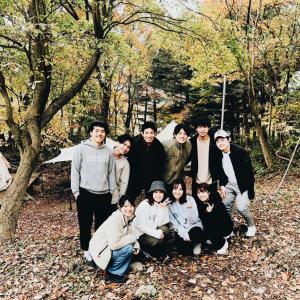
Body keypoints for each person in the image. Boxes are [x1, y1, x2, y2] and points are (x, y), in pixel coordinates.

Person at [71, 121, 115, 262]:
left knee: (101, 226)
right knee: (85, 224)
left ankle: (98, 248)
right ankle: (86, 250)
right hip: (85, 193)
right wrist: (76, 193)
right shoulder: (80, 149)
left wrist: (112, 192)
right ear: (90, 132)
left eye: (102, 131)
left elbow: (111, 173)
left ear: (105, 134)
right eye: (96, 131)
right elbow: (75, 171)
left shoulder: (108, 151)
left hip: (104, 194)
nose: (99, 133)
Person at [214, 129, 256, 237]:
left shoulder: (240, 152)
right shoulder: (218, 155)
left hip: (242, 185)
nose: (220, 143)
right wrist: (222, 185)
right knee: (225, 205)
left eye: (222, 140)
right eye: (217, 141)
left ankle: (251, 226)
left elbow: (249, 174)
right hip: (229, 185)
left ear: (229, 139)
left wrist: (250, 192)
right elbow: (220, 173)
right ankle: (228, 228)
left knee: (241, 207)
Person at [88, 195, 140, 283]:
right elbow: (114, 245)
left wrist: (136, 245)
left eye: (131, 206)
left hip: (106, 248)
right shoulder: (115, 220)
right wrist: (132, 240)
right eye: (125, 206)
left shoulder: (127, 217)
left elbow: (131, 233)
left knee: (132, 248)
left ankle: (114, 267)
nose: (129, 208)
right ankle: (112, 274)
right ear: (119, 207)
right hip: (100, 252)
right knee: (128, 248)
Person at [127, 121, 166, 200]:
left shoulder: (159, 146)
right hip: (135, 176)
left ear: (155, 133)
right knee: (130, 198)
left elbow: (160, 165)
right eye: (146, 133)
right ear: (142, 133)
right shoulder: (134, 143)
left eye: (151, 133)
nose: (149, 135)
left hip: (151, 177)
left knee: (151, 199)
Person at [190, 117, 226, 197]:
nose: (202, 129)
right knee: (197, 205)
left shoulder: (215, 142)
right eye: (200, 127)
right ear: (196, 128)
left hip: (211, 181)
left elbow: (220, 164)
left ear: (208, 128)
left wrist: (222, 183)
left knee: (212, 205)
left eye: (205, 127)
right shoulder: (192, 143)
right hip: (197, 182)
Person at [134, 180, 171, 260]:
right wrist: (156, 233)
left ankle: (157, 251)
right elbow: (140, 225)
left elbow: (161, 223)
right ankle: (147, 250)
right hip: (140, 234)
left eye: (161, 192)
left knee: (166, 231)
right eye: (156, 192)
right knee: (159, 240)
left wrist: (162, 209)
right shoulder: (145, 204)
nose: (158, 195)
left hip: (152, 230)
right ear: (151, 193)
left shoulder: (161, 204)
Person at [195, 183, 233, 255]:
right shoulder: (200, 203)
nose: (201, 195)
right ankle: (212, 240)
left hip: (224, 227)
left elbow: (220, 220)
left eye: (203, 192)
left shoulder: (215, 201)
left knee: (208, 226)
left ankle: (223, 243)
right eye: (199, 193)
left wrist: (210, 213)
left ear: (209, 192)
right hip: (212, 228)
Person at [168, 179, 203, 255]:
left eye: (180, 189)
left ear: (183, 190)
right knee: (186, 252)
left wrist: (189, 210)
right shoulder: (169, 204)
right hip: (181, 228)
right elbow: (174, 223)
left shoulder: (190, 199)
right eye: (175, 189)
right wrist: (185, 234)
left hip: (193, 225)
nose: (177, 192)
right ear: (171, 190)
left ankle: (198, 243)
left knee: (196, 235)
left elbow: (194, 220)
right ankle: (190, 243)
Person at [161, 124, 192, 189]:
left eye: (185, 134)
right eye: (179, 133)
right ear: (175, 134)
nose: (182, 136)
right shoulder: (166, 145)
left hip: (179, 181)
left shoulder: (189, 145)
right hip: (165, 181)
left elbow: (187, 161)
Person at [111, 134, 133, 212]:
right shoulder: (106, 153)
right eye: (124, 144)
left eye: (128, 147)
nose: (126, 148)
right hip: (98, 192)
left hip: (113, 196)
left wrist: (121, 199)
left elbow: (123, 183)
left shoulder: (125, 163)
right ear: (117, 143)